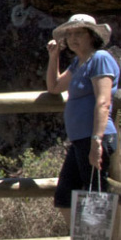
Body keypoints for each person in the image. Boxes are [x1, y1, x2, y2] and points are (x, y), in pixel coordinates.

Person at [45, 13, 118, 230]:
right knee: (65, 196)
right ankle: (87, 235)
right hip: (80, 140)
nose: (73, 38)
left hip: (95, 138)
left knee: (96, 199)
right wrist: (54, 56)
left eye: (79, 33)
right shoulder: (79, 62)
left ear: (92, 36)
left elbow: (103, 102)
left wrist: (97, 141)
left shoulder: (100, 58)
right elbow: (54, 87)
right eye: (69, 34)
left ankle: (95, 235)